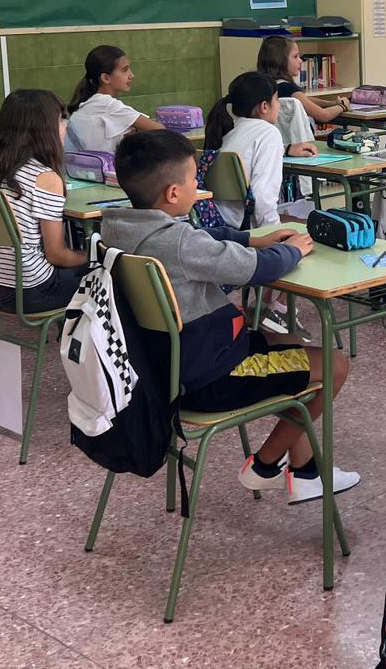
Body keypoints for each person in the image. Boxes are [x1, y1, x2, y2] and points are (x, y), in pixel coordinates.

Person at [101, 130, 358, 504]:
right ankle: (265, 465)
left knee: (291, 344)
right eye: (193, 178)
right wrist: (293, 250)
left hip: (162, 373)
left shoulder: (118, 228)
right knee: (335, 365)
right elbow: (255, 269)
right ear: (172, 193)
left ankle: (304, 472)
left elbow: (202, 238)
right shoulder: (179, 243)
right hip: (213, 377)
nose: (198, 185)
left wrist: (252, 238)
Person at [0, 89, 89, 314]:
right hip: (32, 291)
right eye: (61, 120)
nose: (65, 126)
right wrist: (93, 256)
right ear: (43, 130)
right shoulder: (44, 177)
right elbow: (57, 255)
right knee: (111, 275)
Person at [204, 71, 317, 229]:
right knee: (311, 226)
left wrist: (286, 149)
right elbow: (263, 197)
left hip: (221, 222)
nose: (279, 105)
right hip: (246, 228)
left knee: (291, 219)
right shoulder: (269, 134)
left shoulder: (230, 129)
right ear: (264, 106)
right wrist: (274, 234)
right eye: (276, 99)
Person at [66, 45, 163, 153]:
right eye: (125, 70)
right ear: (106, 78)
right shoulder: (108, 105)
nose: (131, 75)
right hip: (110, 164)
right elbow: (161, 130)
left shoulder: (89, 104)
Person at [256, 35, 349, 127]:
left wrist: (332, 103)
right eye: (295, 56)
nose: (300, 60)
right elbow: (324, 115)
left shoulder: (264, 85)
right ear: (280, 60)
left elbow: (305, 100)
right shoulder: (287, 88)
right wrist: (343, 106)